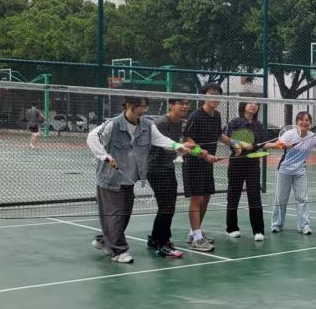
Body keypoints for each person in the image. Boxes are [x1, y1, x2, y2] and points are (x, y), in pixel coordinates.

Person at [87, 97, 196, 263]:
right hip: (110, 179)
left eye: (145, 107)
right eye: (140, 107)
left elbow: (160, 139)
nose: (143, 111)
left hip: (129, 179)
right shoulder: (113, 124)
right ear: (128, 106)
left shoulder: (147, 125)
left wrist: (178, 146)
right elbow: (92, 137)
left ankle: (104, 240)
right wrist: (105, 156)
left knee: (124, 215)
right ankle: (118, 251)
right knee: (116, 215)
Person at [182, 83, 245, 252]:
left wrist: (233, 143)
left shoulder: (216, 115)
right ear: (204, 96)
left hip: (207, 164)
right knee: (197, 200)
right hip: (193, 163)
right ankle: (197, 239)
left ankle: (194, 233)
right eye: (211, 93)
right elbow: (187, 141)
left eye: (217, 94)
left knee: (206, 198)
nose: (215, 97)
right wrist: (205, 155)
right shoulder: (195, 116)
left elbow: (219, 135)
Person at [271, 111, 316, 234]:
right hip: (284, 170)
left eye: (307, 120)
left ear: (310, 123)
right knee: (281, 199)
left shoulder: (312, 136)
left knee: (302, 198)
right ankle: (277, 224)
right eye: (301, 120)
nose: (304, 122)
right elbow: (277, 144)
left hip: (300, 170)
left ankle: (304, 226)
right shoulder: (290, 134)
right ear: (297, 122)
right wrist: (284, 145)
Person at [146, 98, 196, 258]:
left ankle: (155, 238)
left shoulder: (179, 122)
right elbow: (165, 146)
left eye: (187, 104)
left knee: (166, 206)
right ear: (172, 105)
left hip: (167, 168)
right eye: (181, 103)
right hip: (156, 169)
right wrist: (182, 147)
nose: (185, 106)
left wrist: (193, 149)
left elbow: (177, 146)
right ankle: (163, 242)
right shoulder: (161, 123)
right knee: (167, 206)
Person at [225, 101, 268, 241]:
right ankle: (231, 228)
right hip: (236, 162)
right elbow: (228, 139)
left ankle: (258, 230)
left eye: (256, 104)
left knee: (254, 196)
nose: (254, 105)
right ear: (244, 105)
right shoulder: (235, 122)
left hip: (253, 164)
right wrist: (240, 144)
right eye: (250, 103)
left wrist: (279, 144)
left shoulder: (259, 125)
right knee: (233, 196)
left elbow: (263, 143)